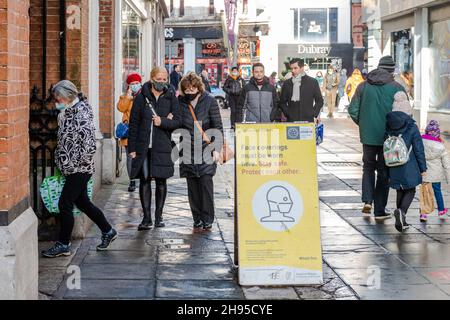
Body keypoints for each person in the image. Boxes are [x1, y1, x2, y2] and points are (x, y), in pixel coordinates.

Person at [42, 80, 117, 258]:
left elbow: (89, 144)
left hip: (79, 169)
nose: (56, 101)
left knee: (64, 204)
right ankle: (108, 231)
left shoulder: (81, 113)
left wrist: (76, 164)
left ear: (67, 97)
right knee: (83, 203)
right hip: (71, 168)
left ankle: (63, 244)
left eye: (57, 98)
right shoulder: (68, 111)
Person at [348, 56, 407, 220]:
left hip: (367, 136)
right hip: (388, 137)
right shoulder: (397, 88)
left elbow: (352, 109)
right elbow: (403, 115)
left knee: (367, 167)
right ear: (392, 70)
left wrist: (363, 123)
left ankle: (367, 200)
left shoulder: (362, 86)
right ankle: (379, 210)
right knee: (384, 172)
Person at [128, 66, 181, 230]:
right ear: (152, 79)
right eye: (159, 79)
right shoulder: (141, 97)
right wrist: (132, 147)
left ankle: (159, 216)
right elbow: (134, 123)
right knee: (144, 180)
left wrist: (163, 121)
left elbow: (178, 121)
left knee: (161, 181)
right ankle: (146, 218)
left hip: (162, 146)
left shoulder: (171, 96)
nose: (162, 82)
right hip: (143, 146)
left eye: (164, 79)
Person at [178, 72, 224, 231]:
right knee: (192, 186)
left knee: (205, 184)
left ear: (199, 87)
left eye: (193, 88)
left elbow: (218, 126)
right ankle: (196, 218)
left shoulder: (210, 101)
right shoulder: (181, 102)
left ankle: (208, 218)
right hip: (188, 149)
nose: (190, 92)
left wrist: (216, 149)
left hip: (206, 148)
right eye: (187, 90)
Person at [385, 104, 426, 232]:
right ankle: (401, 212)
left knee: (400, 190)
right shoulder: (412, 127)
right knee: (410, 190)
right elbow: (419, 150)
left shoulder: (389, 126)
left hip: (393, 164)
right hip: (409, 165)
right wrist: (423, 168)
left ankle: (402, 219)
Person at [116, 73, 142, 192]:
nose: (135, 85)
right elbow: (121, 108)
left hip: (141, 131)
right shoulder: (124, 97)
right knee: (130, 157)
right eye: (132, 84)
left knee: (142, 156)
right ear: (128, 86)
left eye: (137, 83)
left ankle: (142, 177)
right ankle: (132, 180)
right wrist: (128, 96)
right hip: (129, 131)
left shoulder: (144, 95)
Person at [421, 120, 450, 222]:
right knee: (437, 191)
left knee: (425, 193)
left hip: (424, 172)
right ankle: (441, 210)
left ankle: (423, 214)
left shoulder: (421, 142)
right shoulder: (441, 146)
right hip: (436, 174)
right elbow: (447, 165)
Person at [279, 58, 324, 122]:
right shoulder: (287, 83)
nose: (293, 70)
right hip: (291, 120)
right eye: (291, 68)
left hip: (308, 120)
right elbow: (282, 102)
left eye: (295, 68)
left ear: (302, 68)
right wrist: (288, 113)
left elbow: (319, 100)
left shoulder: (312, 82)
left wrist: (313, 113)